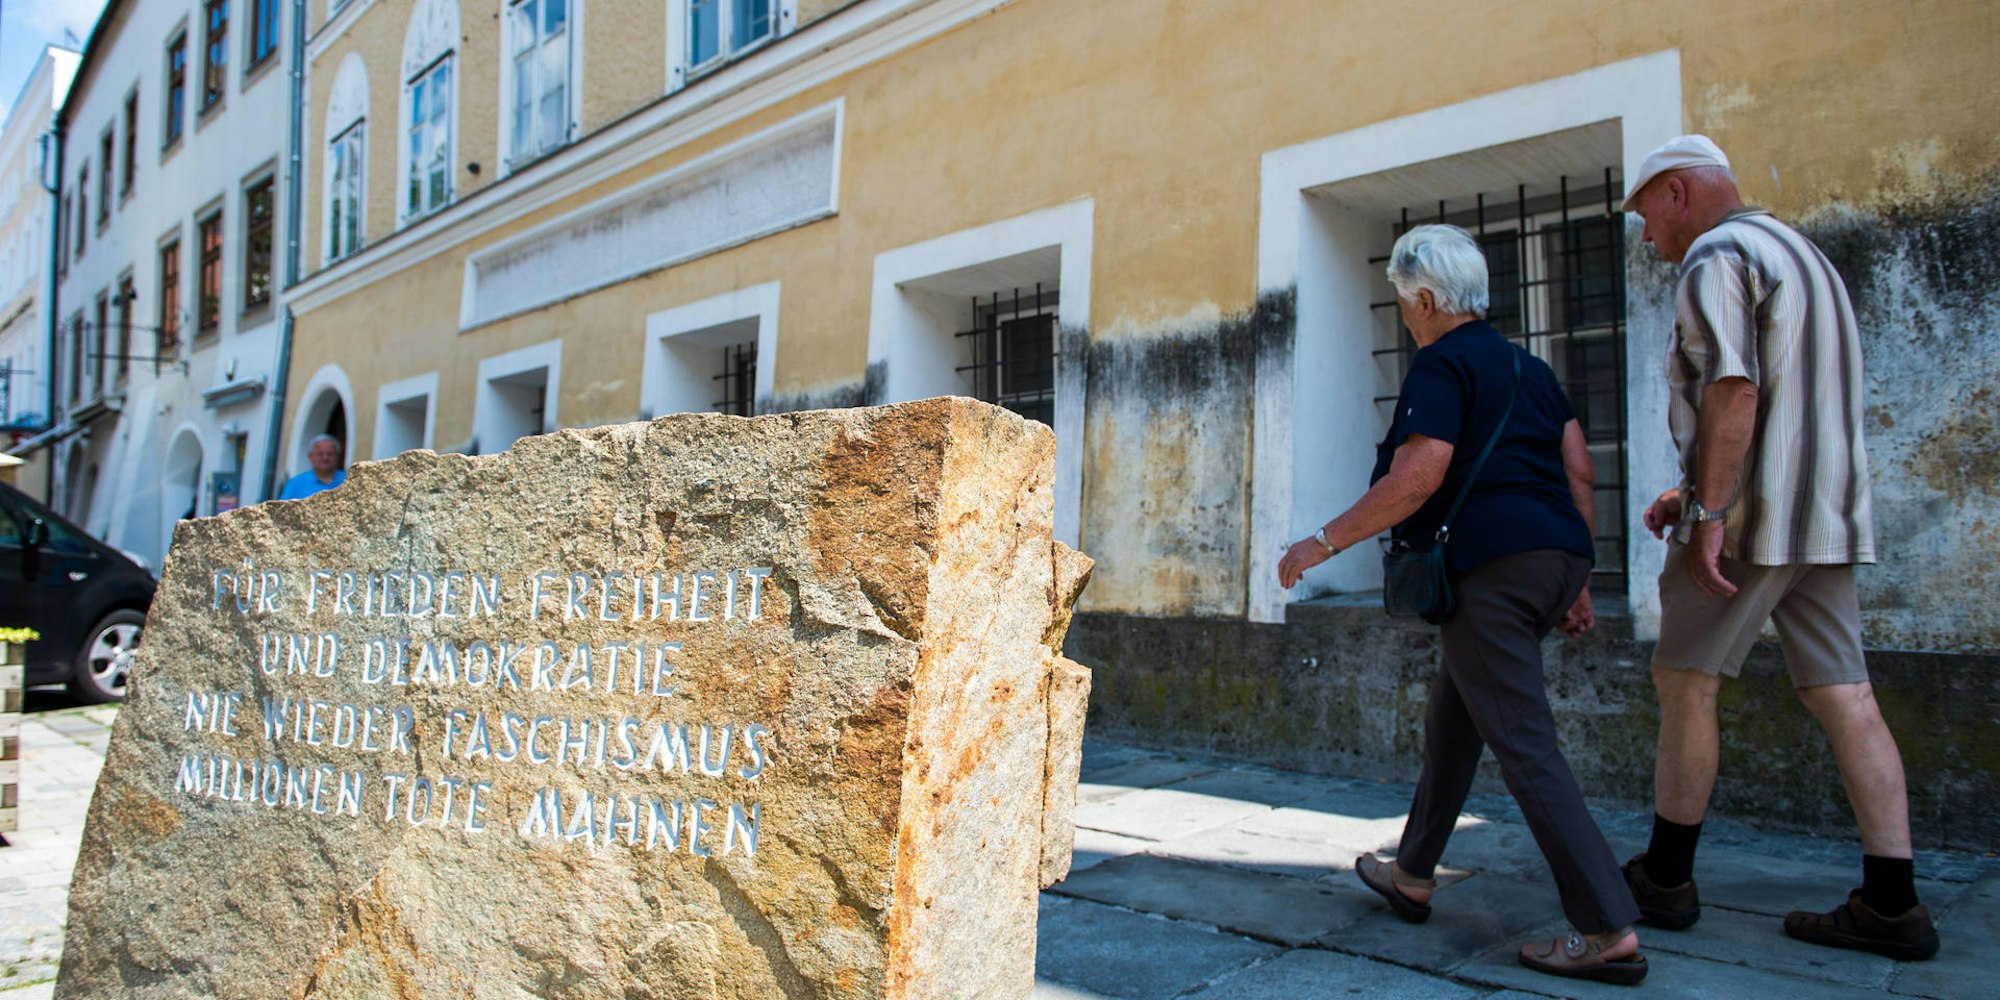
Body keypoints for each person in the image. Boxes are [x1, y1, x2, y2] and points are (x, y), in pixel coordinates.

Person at [1278, 224, 1645, 985]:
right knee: (1457, 718)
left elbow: (1419, 476)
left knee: (1525, 743)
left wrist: (1321, 543)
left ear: (1424, 300)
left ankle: (1605, 925)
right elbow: (1578, 469)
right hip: (1554, 557)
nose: (1405, 317)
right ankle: (1413, 872)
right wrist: (1577, 579)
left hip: (1492, 573)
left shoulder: (1441, 363)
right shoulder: (1529, 367)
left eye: (1402, 303)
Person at [1618, 135, 1939, 960]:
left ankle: (1665, 878)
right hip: (1825, 519)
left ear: (1678, 192)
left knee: (1685, 681)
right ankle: (1892, 902)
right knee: (1847, 695)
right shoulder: (1807, 257)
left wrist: (1710, 513)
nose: (1646, 235)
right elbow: (1789, 397)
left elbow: (1734, 390)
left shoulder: (1716, 257)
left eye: (1646, 213)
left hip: (1752, 522)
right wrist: (1692, 489)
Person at [278, 435, 347, 501]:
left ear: (337, 456)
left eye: (330, 454)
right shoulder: (295, 484)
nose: (325, 458)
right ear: (310, 457)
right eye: (320, 454)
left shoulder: (347, 479)